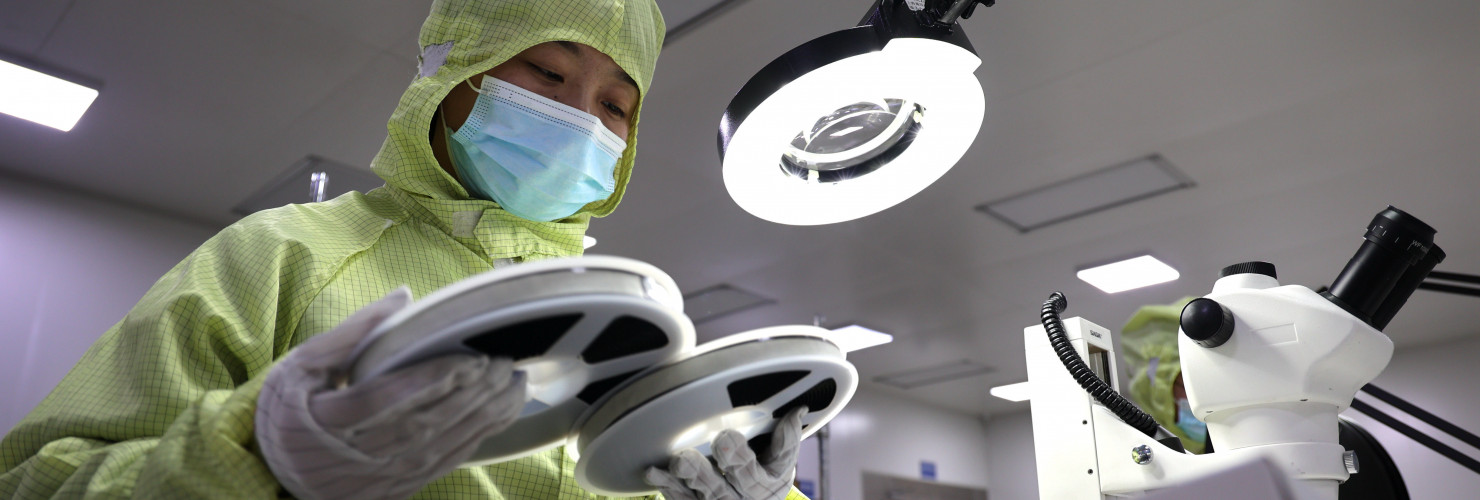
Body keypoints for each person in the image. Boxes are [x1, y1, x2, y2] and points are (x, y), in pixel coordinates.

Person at [0, 1, 806, 499]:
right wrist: (254, 459)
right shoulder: (283, 256)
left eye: (616, 106)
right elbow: (37, 484)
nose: (580, 121)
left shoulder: (635, 336)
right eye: (547, 73)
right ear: (452, 70)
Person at [1120, 297, 1213, 455]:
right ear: (1159, 389)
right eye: (1192, 383)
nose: (1209, 396)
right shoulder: (1135, 456)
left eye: (1213, 383)